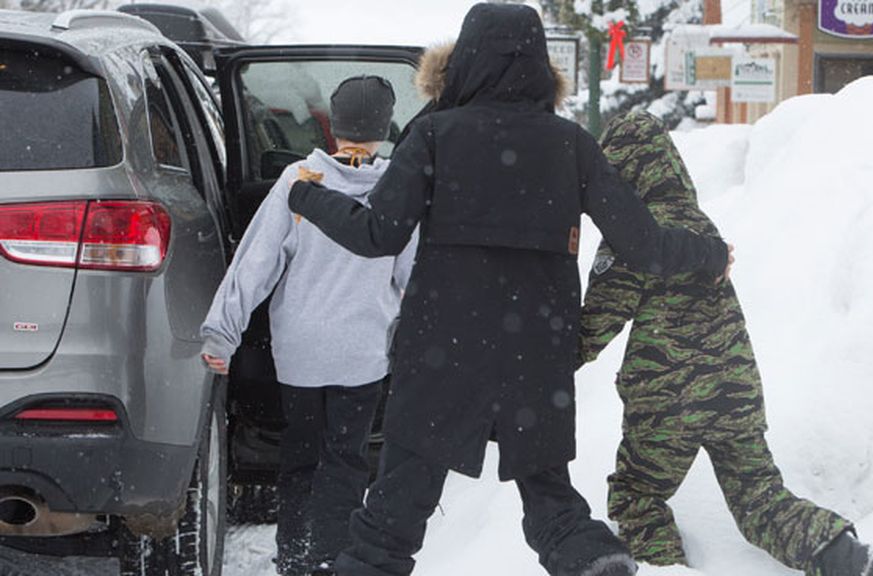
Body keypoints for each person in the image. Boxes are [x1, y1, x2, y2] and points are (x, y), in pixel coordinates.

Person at [287, 5, 732, 576]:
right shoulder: (569, 143)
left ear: (462, 61)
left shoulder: (433, 135)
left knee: (392, 518)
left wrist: (308, 196)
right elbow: (642, 244)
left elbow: (377, 235)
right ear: (541, 65)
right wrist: (710, 255)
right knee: (549, 497)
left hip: (442, 348)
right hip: (536, 352)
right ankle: (592, 558)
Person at [578, 110, 873, 576]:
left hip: (669, 398)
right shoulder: (700, 223)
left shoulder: (633, 235)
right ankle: (853, 560)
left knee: (637, 497)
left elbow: (594, 326)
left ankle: (665, 569)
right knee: (760, 499)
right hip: (735, 391)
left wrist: (534, 366)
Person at [200, 75, 417, 576]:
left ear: (334, 126)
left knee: (301, 455)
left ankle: (294, 556)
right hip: (363, 349)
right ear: (384, 128)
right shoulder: (398, 188)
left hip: (300, 350)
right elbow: (414, 275)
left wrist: (223, 333)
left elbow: (255, 263)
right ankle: (330, 558)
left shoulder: (299, 180)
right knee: (346, 457)